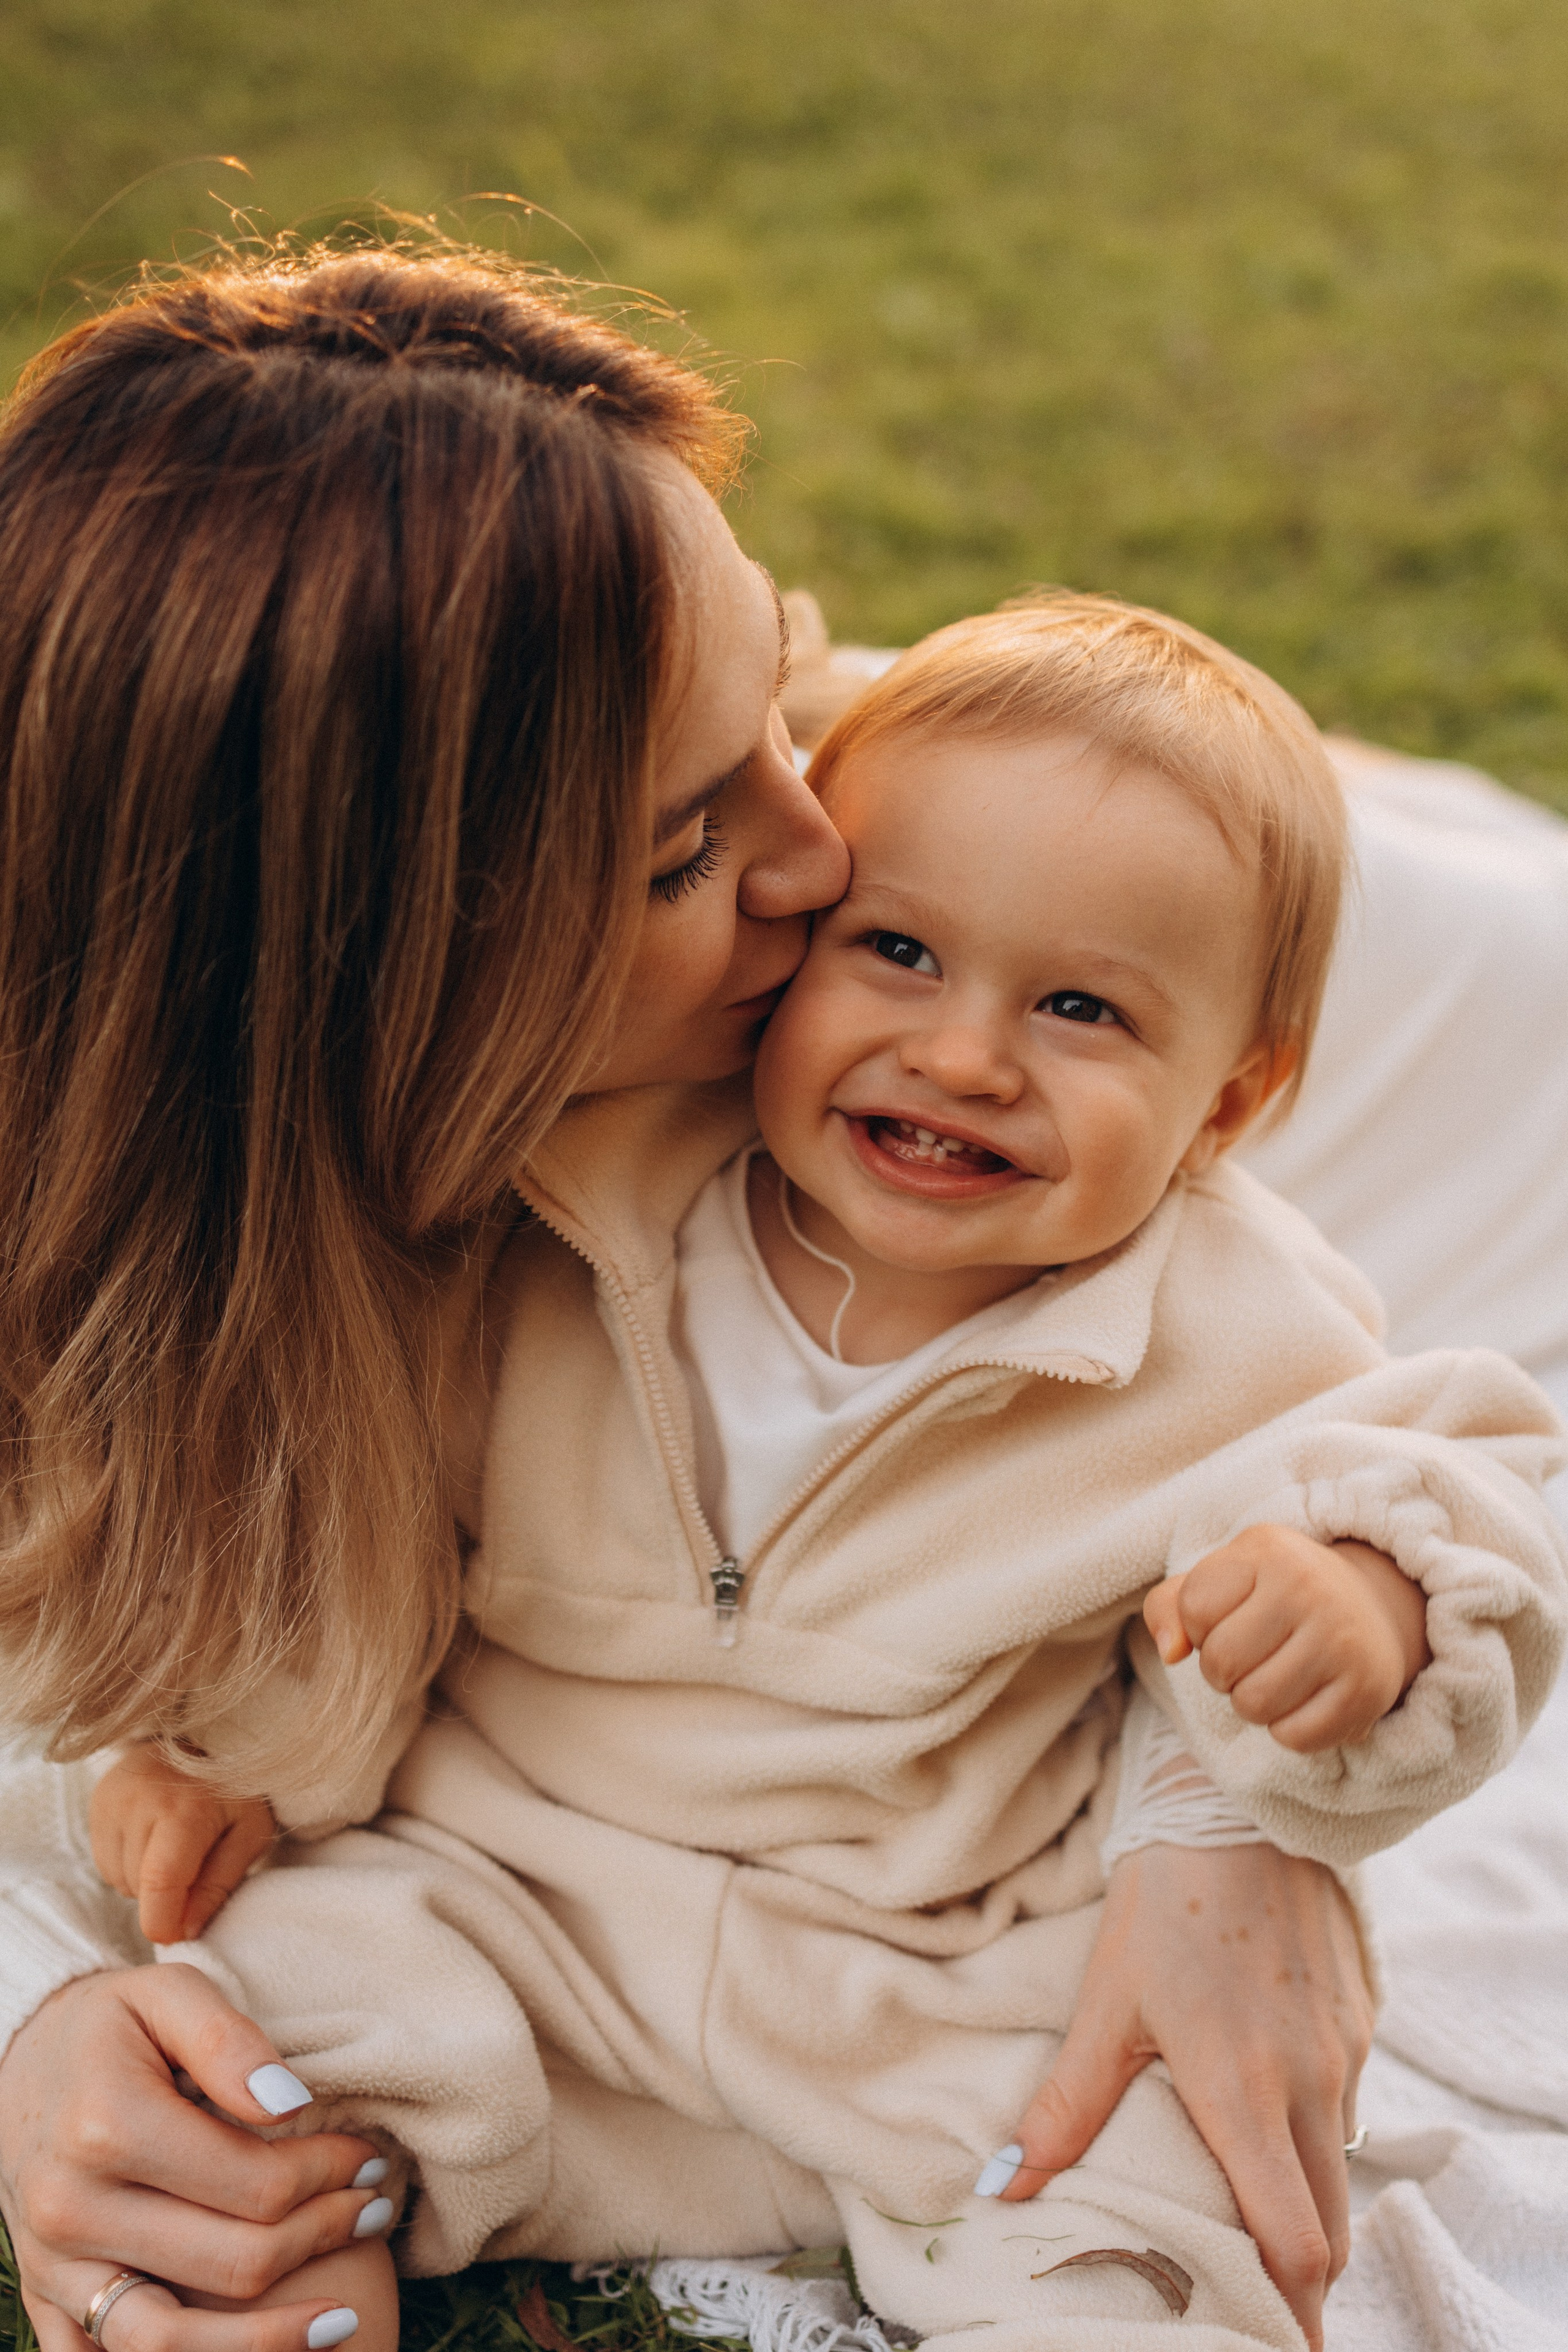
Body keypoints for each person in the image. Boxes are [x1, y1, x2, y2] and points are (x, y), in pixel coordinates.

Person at [0, 247, 1458, 2352]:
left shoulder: (1006, 919)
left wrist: (1237, 1808)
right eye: (688, 845)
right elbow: (127, 1685)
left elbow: (1370, 1468)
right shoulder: (485, 1204)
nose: (819, 847)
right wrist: (91, 2042)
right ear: (388, 994)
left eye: (787, 698)